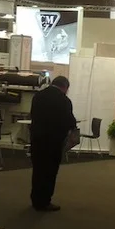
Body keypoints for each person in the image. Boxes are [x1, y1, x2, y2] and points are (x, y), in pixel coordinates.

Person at [30, 76, 76, 211]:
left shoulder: (38, 96)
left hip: (37, 139)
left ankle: (36, 199)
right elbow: (69, 121)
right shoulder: (64, 100)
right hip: (53, 141)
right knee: (50, 172)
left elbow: (33, 115)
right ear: (65, 87)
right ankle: (45, 201)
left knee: (38, 170)